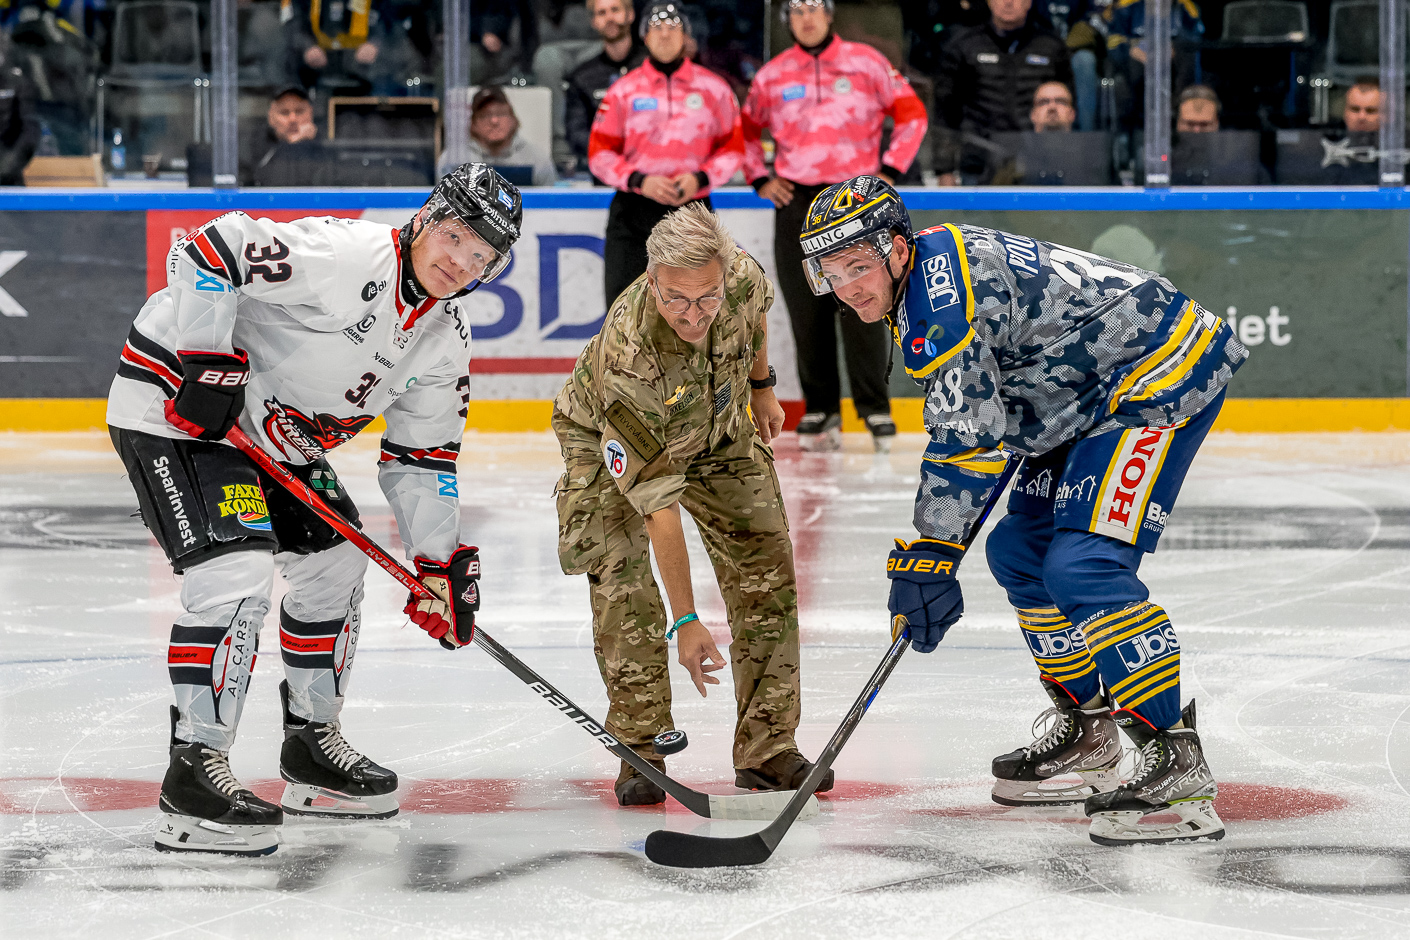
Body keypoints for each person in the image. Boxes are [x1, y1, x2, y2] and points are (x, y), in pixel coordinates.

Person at [798, 175, 1246, 845]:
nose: (847, 287)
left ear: (897, 249)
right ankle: (1090, 730)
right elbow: (991, 415)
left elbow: (969, 437)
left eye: (857, 267)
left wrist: (932, 552)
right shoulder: (922, 279)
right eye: (830, 274)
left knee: (1084, 566)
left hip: (1155, 375)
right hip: (1080, 396)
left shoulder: (939, 303)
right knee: (1019, 552)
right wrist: (938, 551)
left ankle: (1175, 757)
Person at [105, 165, 523, 856]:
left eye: (481, 257)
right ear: (426, 217)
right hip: (179, 410)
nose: (461, 263)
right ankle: (193, 774)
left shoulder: (445, 336)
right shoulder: (347, 256)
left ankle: (310, 746)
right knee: (235, 570)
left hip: (273, 436)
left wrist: (437, 564)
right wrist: (206, 359)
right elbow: (211, 247)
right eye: (455, 238)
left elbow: (423, 458)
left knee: (337, 562)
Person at [552, 203, 833, 806]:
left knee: (767, 565)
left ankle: (767, 750)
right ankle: (641, 746)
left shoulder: (743, 276)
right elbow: (661, 509)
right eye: (676, 298)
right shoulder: (630, 353)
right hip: (609, 441)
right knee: (625, 585)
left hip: (717, 428)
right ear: (652, 279)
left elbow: (755, 314)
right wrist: (686, 621)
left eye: (707, 297)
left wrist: (761, 388)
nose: (693, 313)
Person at [743, 0, 927, 453]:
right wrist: (760, 178)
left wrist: (891, 168)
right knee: (806, 306)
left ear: (829, 14)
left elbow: (912, 114)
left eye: (814, 8)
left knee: (866, 297)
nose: (806, 18)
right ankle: (820, 407)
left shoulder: (867, 63)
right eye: (797, 10)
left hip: (855, 201)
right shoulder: (772, 75)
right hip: (797, 201)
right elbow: (743, 131)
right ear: (788, 21)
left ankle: (874, 406)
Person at [587, 2, 743, 307]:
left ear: (686, 35)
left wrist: (701, 178)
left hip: (693, 212)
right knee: (624, 310)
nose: (664, 34)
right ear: (644, 36)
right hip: (633, 212)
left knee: (694, 309)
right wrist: (638, 180)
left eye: (673, 27)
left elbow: (733, 148)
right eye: (656, 27)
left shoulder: (714, 89)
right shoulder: (623, 90)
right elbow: (600, 153)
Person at [933, 0, 1073, 183]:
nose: (1008, 2)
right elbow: (945, 111)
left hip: (1038, 164)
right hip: (978, 165)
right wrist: (944, 170)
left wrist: (1066, 159)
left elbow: (1068, 109)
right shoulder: (965, 46)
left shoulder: (1051, 47)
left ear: (1029, 2)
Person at [564, 0, 646, 173]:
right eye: (602, 13)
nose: (609, 18)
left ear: (630, 14)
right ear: (593, 22)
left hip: (652, 168)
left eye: (615, 10)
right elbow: (576, 133)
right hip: (603, 171)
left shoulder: (653, 67)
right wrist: (611, 151)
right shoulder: (582, 77)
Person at [436, 86, 556, 185]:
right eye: (485, 115)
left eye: (501, 114)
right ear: (473, 124)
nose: (494, 121)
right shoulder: (453, 161)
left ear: (513, 119)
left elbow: (551, 202)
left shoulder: (536, 160)